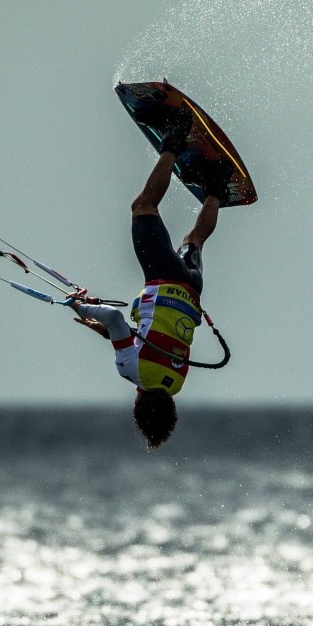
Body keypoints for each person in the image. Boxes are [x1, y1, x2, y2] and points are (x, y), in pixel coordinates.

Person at [66, 106, 228, 449]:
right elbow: (114, 318)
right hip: (164, 278)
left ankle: (216, 188)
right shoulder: (132, 371)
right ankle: (174, 137)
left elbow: (146, 343)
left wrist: (100, 329)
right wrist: (83, 309)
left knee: (193, 241)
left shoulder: (175, 383)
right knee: (143, 206)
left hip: (191, 289)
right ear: (137, 408)